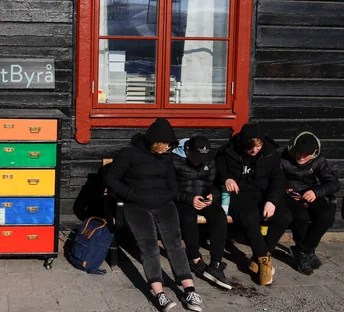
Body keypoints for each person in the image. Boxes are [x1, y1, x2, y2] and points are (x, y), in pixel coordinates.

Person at [105, 118, 204, 312]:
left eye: (170, 144)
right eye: (165, 143)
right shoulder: (129, 154)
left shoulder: (166, 157)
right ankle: (159, 293)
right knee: (149, 246)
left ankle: (189, 289)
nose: (167, 148)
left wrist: (168, 196)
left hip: (164, 204)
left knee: (175, 243)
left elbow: (172, 184)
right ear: (155, 140)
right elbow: (111, 179)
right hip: (136, 206)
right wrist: (131, 196)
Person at [216, 123, 292, 286]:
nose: (254, 151)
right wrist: (226, 178)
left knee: (283, 216)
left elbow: (278, 180)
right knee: (249, 217)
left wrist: (271, 201)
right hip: (238, 194)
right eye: (250, 149)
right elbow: (219, 170)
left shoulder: (271, 154)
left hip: (263, 194)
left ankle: (261, 254)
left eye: (258, 148)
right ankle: (264, 261)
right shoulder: (228, 151)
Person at [172, 135, 231, 290]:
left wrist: (213, 196)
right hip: (182, 200)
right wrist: (189, 199)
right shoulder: (174, 160)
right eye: (195, 157)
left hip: (204, 197)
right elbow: (168, 189)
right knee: (188, 218)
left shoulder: (209, 160)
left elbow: (214, 183)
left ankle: (215, 264)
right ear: (187, 149)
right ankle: (195, 259)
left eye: (202, 157)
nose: (198, 161)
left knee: (219, 217)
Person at [281, 132, 339, 275]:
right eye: (298, 152)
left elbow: (333, 183)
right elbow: (274, 179)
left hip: (311, 193)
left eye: (305, 154)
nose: (301, 157)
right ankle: (306, 253)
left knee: (326, 215)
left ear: (314, 152)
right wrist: (286, 189)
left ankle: (302, 251)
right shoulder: (282, 159)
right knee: (301, 217)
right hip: (290, 196)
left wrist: (316, 192)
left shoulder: (319, 160)